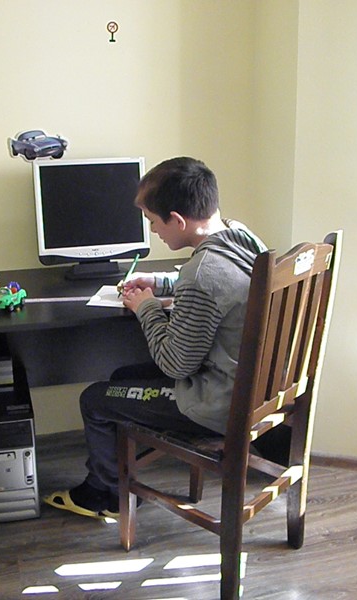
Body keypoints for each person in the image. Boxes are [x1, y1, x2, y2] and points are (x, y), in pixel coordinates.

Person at [43, 156, 270, 519]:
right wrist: (160, 282)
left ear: (177, 220)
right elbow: (214, 279)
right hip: (254, 390)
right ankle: (116, 482)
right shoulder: (240, 236)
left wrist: (146, 307)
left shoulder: (202, 274)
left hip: (217, 404)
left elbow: (174, 364)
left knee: (94, 399)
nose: (153, 231)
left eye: (153, 222)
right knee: (121, 379)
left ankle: (106, 497)